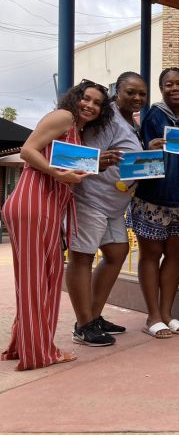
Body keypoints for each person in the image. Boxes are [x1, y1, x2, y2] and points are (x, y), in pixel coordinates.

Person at [1, 80, 113, 370]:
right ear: (75, 98)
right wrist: (57, 174)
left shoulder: (77, 130)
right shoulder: (64, 117)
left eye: (97, 103)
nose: (90, 105)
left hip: (46, 208)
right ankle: (38, 353)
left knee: (44, 280)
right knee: (36, 283)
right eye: (85, 98)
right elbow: (28, 151)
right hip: (34, 204)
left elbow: (66, 164)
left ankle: (25, 345)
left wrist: (95, 164)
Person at [66, 72, 161, 347]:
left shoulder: (129, 122)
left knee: (117, 251)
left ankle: (93, 315)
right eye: (130, 92)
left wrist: (147, 150)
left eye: (142, 94)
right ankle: (84, 325)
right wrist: (101, 163)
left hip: (114, 204)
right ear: (116, 91)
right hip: (91, 199)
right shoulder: (107, 119)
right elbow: (87, 156)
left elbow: (123, 156)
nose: (137, 98)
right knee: (82, 257)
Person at [128, 67, 179, 339]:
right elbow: (142, 153)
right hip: (155, 196)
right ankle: (152, 315)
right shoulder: (155, 115)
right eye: (169, 84)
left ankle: (167, 313)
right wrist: (151, 147)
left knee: (176, 255)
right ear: (161, 89)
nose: (175, 88)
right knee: (150, 255)